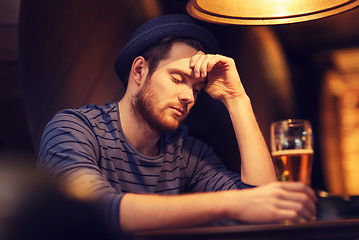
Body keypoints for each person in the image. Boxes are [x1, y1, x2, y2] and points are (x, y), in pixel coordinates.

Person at [38, 14, 317, 234]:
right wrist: (236, 204)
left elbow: (264, 206)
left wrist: (237, 100)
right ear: (139, 70)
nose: (188, 97)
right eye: (177, 79)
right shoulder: (73, 129)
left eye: (196, 88)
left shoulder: (187, 153)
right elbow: (96, 212)